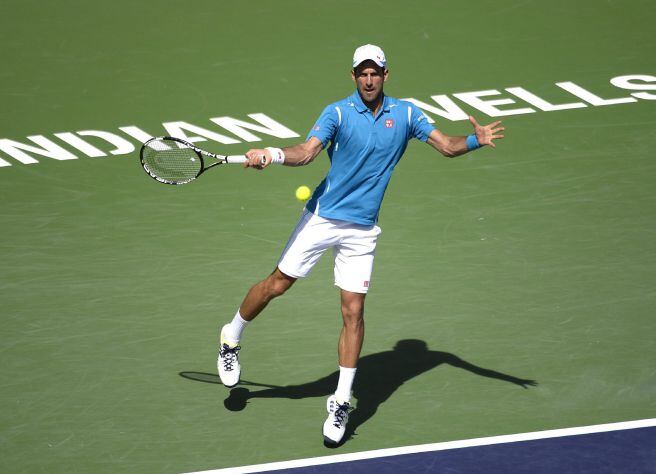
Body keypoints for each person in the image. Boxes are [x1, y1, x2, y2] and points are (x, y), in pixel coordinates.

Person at [216, 44, 505, 446]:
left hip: (361, 230)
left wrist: (474, 141)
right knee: (277, 285)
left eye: (376, 72)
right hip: (322, 218)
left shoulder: (406, 114)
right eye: (362, 73)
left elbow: (445, 146)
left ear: (386, 75)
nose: (369, 79)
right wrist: (272, 153)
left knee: (354, 311)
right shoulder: (336, 113)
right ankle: (231, 335)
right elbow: (307, 152)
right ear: (353, 77)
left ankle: (340, 399)